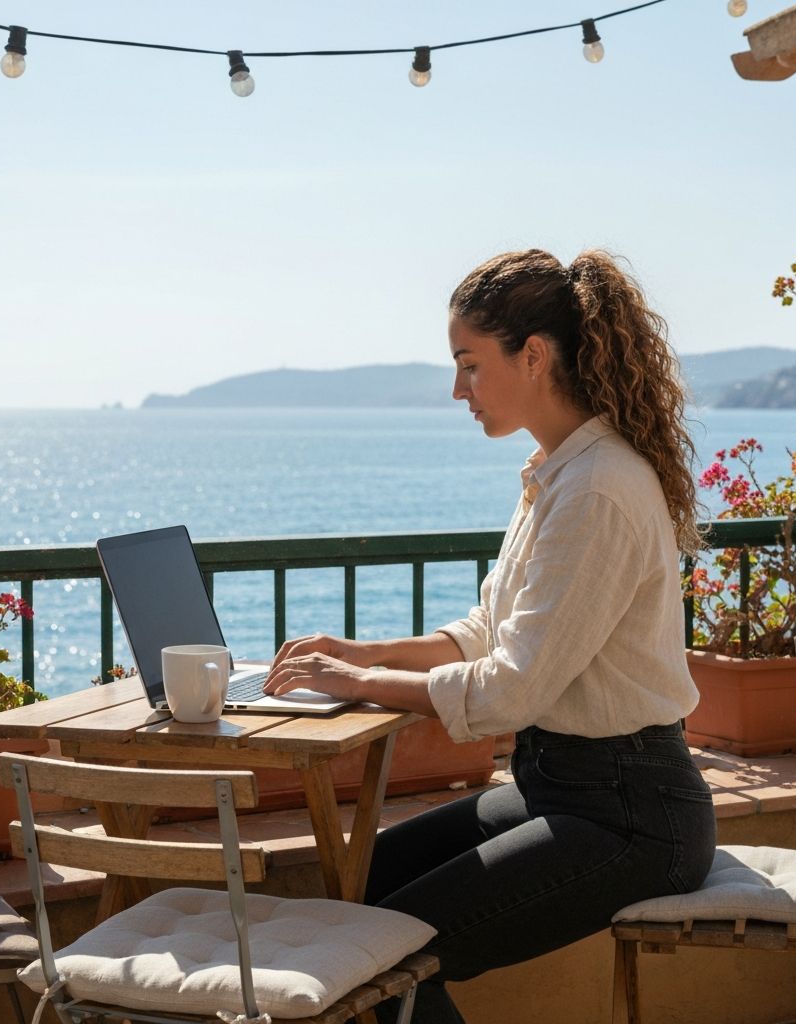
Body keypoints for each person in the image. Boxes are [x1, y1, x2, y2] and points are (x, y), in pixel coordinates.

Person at [263, 248, 716, 1024]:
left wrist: (361, 688)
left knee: (388, 954)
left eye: (470, 364)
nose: (457, 389)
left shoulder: (596, 490)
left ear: (532, 355)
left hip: (632, 815)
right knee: (355, 893)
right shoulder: (557, 474)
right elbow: (487, 632)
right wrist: (364, 653)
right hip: (560, 790)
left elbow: (513, 688)